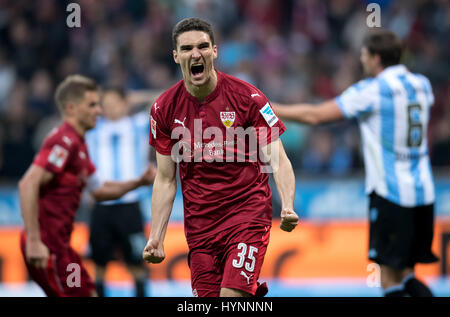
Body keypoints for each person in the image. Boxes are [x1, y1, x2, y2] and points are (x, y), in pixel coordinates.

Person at [272, 28, 438, 297]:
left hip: (391, 194)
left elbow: (315, 115)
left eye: (364, 55)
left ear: (375, 58)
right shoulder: (422, 84)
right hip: (424, 193)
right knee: (408, 274)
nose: (362, 60)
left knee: (388, 280)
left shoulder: (372, 90)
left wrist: (267, 107)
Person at [142, 17, 299, 297]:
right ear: (176, 56)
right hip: (200, 229)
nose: (196, 54)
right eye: (187, 48)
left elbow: (279, 159)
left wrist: (287, 204)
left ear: (214, 51)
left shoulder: (248, 98)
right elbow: (166, 180)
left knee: (231, 298)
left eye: (203, 46)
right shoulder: (163, 109)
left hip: (247, 216)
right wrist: (156, 236)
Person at [18, 75, 156, 297]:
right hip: (46, 245)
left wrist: (138, 182)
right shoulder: (64, 141)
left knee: (88, 290)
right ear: (73, 108)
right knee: (82, 286)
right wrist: (34, 241)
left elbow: (100, 190)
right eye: (93, 105)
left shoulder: (81, 147)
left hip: (66, 244)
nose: (100, 111)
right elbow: (28, 184)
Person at [85, 87, 153, 297]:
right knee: (99, 265)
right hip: (102, 204)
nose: (110, 107)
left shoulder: (139, 124)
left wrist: (136, 97)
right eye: (105, 103)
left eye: (115, 102)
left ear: (124, 103)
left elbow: (166, 100)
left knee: (137, 262)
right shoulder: (92, 128)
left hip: (130, 205)